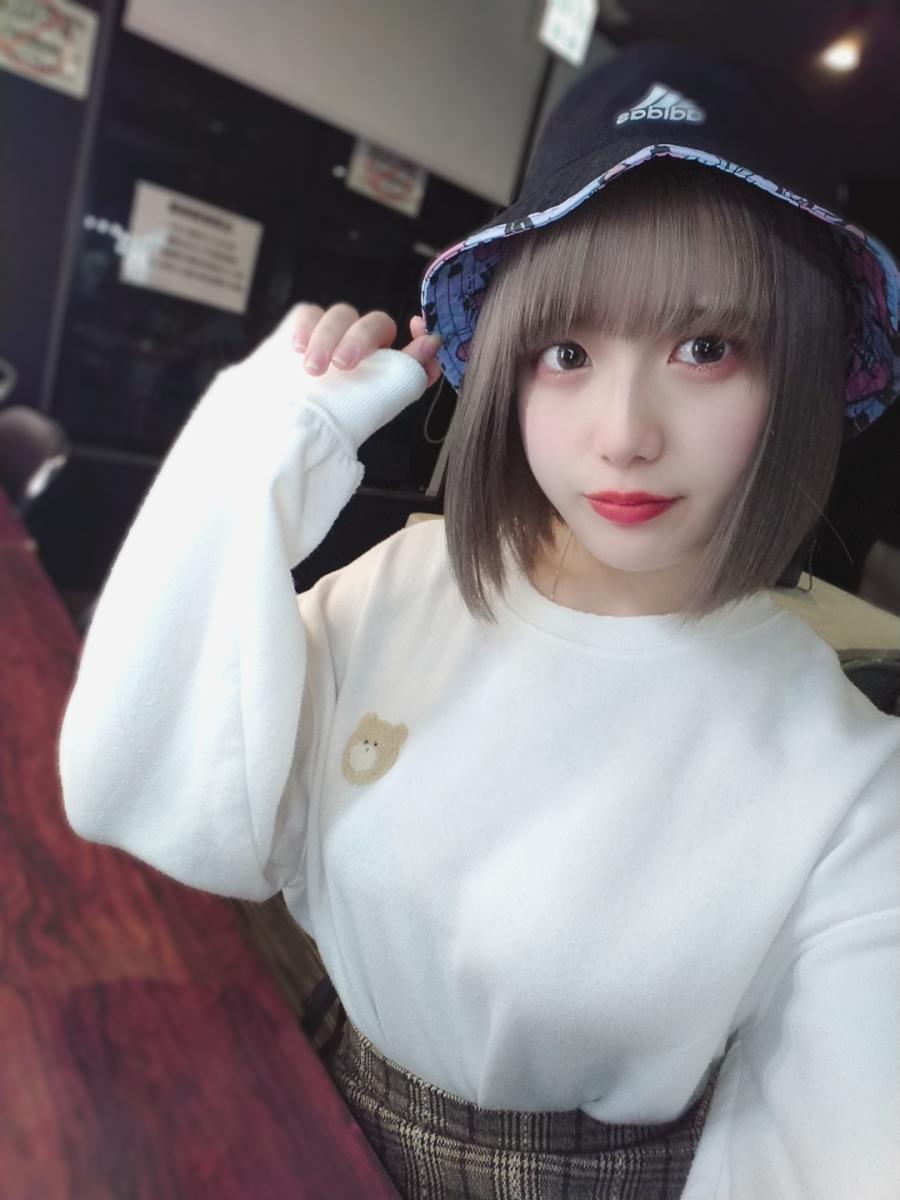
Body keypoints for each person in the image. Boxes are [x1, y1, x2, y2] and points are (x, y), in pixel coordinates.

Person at [58, 41, 900, 1200]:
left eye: (705, 348)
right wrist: (262, 443)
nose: (624, 433)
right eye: (568, 351)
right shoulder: (404, 584)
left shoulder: (851, 783)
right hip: (315, 1117)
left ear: (800, 370)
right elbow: (144, 795)